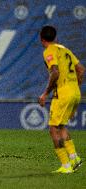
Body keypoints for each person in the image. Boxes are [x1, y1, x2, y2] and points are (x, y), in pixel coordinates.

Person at [38, 25, 84, 173]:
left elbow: (55, 72)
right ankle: (74, 158)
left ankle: (66, 165)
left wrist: (45, 93)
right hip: (75, 92)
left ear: (41, 39)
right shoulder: (65, 49)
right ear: (55, 37)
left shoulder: (48, 51)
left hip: (63, 93)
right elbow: (81, 69)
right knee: (61, 126)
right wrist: (75, 86)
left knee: (53, 128)